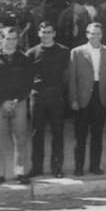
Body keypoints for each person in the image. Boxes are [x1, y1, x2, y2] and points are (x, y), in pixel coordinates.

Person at [0, 27, 34, 186]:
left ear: (17, 40)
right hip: (0, 105)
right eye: (8, 38)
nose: (11, 41)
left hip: (19, 104)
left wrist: (16, 100)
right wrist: (3, 101)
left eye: (14, 38)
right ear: (2, 39)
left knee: (20, 139)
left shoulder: (25, 59)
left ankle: (21, 173)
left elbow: (28, 82)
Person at [67, 22, 106, 176]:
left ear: (102, 35)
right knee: (80, 135)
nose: (95, 37)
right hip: (83, 96)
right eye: (92, 33)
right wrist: (73, 99)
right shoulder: (77, 52)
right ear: (86, 34)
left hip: (100, 95)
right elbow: (72, 78)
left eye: (98, 34)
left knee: (98, 134)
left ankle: (95, 166)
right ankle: (78, 167)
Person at [26, 21, 69, 178]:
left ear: (54, 33)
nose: (46, 35)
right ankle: (37, 167)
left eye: (49, 32)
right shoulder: (31, 53)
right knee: (37, 132)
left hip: (56, 95)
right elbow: (27, 76)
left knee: (58, 132)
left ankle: (57, 167)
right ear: (39, 34)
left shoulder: (63, 51)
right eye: (43, 32)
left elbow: (66, 76)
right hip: (37, 96)